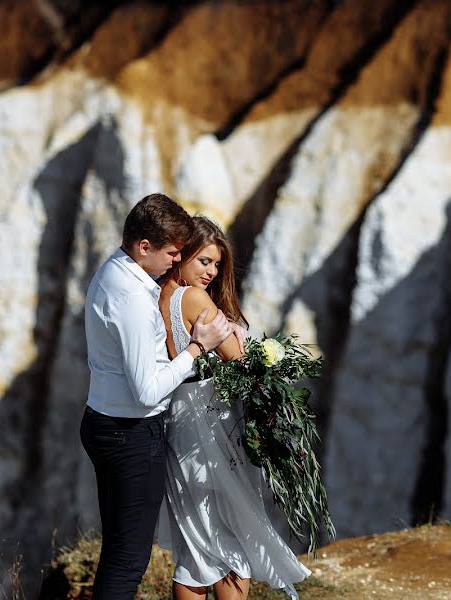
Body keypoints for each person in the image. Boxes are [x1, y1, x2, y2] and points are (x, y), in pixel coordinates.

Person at [80, 194, 233, 599]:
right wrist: (197, 349)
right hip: (129, 433)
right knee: (129, 559)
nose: (175, 261)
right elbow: (146, 390)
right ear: (143, 246)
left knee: (118, 551)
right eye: (172, 252)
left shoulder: (115, 273)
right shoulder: (131, 297)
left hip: (104, 422)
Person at [156, 216, 310, 600]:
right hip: (208, 421)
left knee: (195, 546)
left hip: (179, 415)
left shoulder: (162, 295)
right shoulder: (193, 298)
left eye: (218, 264)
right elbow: (237, 359)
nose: (211, 272)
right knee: (234, 540)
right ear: (183, 254)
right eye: (204, 261)